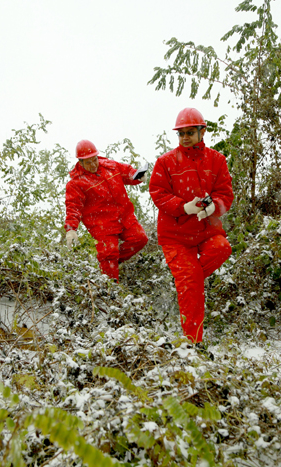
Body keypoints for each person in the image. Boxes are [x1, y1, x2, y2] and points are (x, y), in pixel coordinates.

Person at [149, 108, 234, 343]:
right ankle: (194, 344)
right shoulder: (165, 162)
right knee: (191, 284)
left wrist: (212, 207)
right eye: (181, 133)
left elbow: (225, 194)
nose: (185, 137)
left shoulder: (216, 160)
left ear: (202, 131)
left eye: (189, 132)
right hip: (175, 237)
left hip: (206, 231)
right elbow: (157, 192)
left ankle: (187, 280)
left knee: (222, 249)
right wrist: (183, 207)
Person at [64, 139, 148, 281]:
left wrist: (138, 176)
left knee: (140, 239)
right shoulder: (76, 183)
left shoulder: (111, 166)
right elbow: (73, 207)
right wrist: (71, 228)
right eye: (88, 162)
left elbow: (128, 173)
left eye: (94, 159)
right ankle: (111, 289)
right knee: (109, 254)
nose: (93, 164)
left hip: (125, 217)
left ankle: (112, 263)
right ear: (80, 162)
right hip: (102, 226)